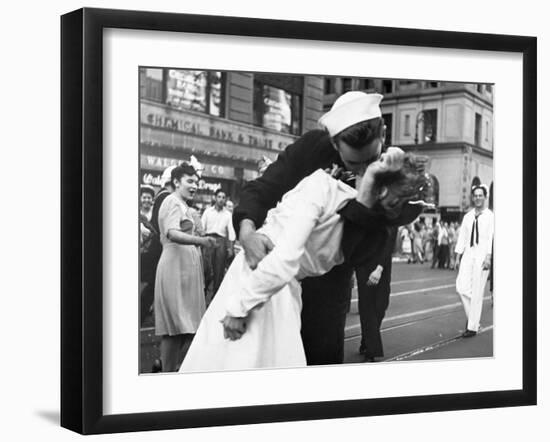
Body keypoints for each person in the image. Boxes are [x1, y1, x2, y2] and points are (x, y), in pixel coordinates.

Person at [180, 152, 427, 372]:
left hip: (257, 283)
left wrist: (239, 307)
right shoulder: (366, 227)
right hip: (283, 294)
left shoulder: (325, 188)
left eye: (381, 161)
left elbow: (284, 260)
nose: (375, 155)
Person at [231, 91, 422, 366]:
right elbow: (262, 188)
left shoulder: (389, 167)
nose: (363, 169)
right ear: (334, 142)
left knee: (320, 362)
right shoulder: (310, 148)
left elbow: (388, 226)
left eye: (370, 159)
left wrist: (381, 186)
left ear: (383, 134)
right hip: (278, 281)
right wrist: (247, 230)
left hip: (329, 287)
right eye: (353, 163)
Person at [154, 163, 216, 371]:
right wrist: (200, 241)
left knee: (187, 328)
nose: (194, 186)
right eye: (189, 181)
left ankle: (167, 368)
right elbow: (171, 232)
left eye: (196, 182)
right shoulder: (171, 201)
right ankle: (167, 371)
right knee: (176, 328)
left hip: (185, 269)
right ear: (176, 182)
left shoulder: (185, 206)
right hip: (174, 268)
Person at [454, 184, 494, 337]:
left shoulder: (490, 216)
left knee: (477, 292)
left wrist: (489, 257)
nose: (477, 198)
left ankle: (472, 327)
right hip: (468, 255)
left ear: (485, 197)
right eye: (475, 195)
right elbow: (462, 238)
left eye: (480, 195)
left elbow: (491, 238)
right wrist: (457, 257)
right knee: (461, 287)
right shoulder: (468, 216)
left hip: (482, 257)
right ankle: (474, 320)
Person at [355, 226, 397, 362]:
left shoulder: (391, 210)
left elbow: (390, 241)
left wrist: (379, 268)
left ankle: (366, 340)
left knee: (381, 304)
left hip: (383, 264)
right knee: (367, 305)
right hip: (364, 262)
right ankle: (371, 350)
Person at [201, 189, 236, 302]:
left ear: (225, 199)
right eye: (219, 197)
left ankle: (214, 300)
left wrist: (230, 247)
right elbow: (202, 228)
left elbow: (231, 232)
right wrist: (201, 242)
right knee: (206, 269)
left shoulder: (228, 214)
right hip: (208, 240)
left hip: (221, 241)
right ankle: (202, 295)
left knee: (219, 270)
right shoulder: (207, 212)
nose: (221, 199)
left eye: (223, 197)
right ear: (215, 198)